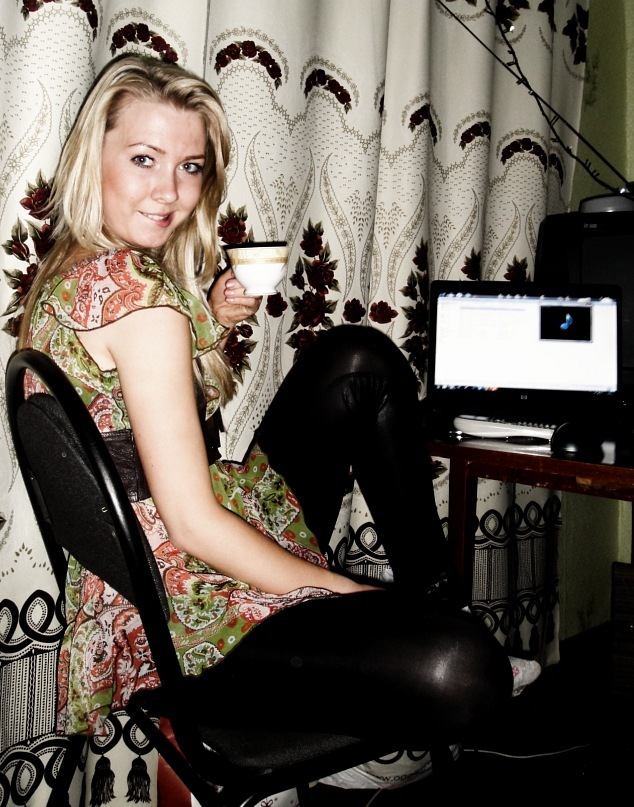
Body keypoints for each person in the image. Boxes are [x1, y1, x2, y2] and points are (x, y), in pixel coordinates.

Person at [18, 54, 531, 746]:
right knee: (465, 672)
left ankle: (434, 613)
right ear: (94, 157)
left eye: (190, 166)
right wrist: (357, 597)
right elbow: (193, 526)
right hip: (190, 609)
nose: (169, 191)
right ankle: (431, 620)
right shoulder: (141, 298)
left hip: (132, 584)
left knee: (357, 361)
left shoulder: (73, 273)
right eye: (143, 159)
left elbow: (124, 415)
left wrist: (208, 319)